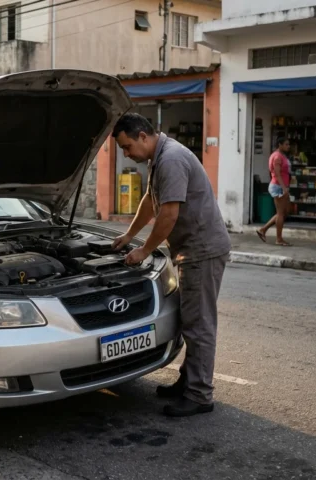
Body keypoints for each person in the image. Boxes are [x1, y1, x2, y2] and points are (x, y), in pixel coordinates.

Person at [111, 113, 231, 417]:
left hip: (201, 250)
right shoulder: (160, 157)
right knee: (190, 317)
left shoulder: (171, 159)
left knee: (199, 323)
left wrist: (144, 250)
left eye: (126, 147)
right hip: (191, 249)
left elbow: (168, 214)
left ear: (142, 136)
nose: (126, 154)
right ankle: (188, 381)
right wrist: (129, 235)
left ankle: (200, 395)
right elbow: (150, 202)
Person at [256, 137, 292, 246]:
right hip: (278, 186)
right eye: (286, 144)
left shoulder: (280, 155)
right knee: (281, 213)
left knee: (283, 212)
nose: (288, 146)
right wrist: (284, 188)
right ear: (280, 144)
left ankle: (263, 229)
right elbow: (277, 173)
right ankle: (279, 239)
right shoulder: (277, 156)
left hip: (279, 185)